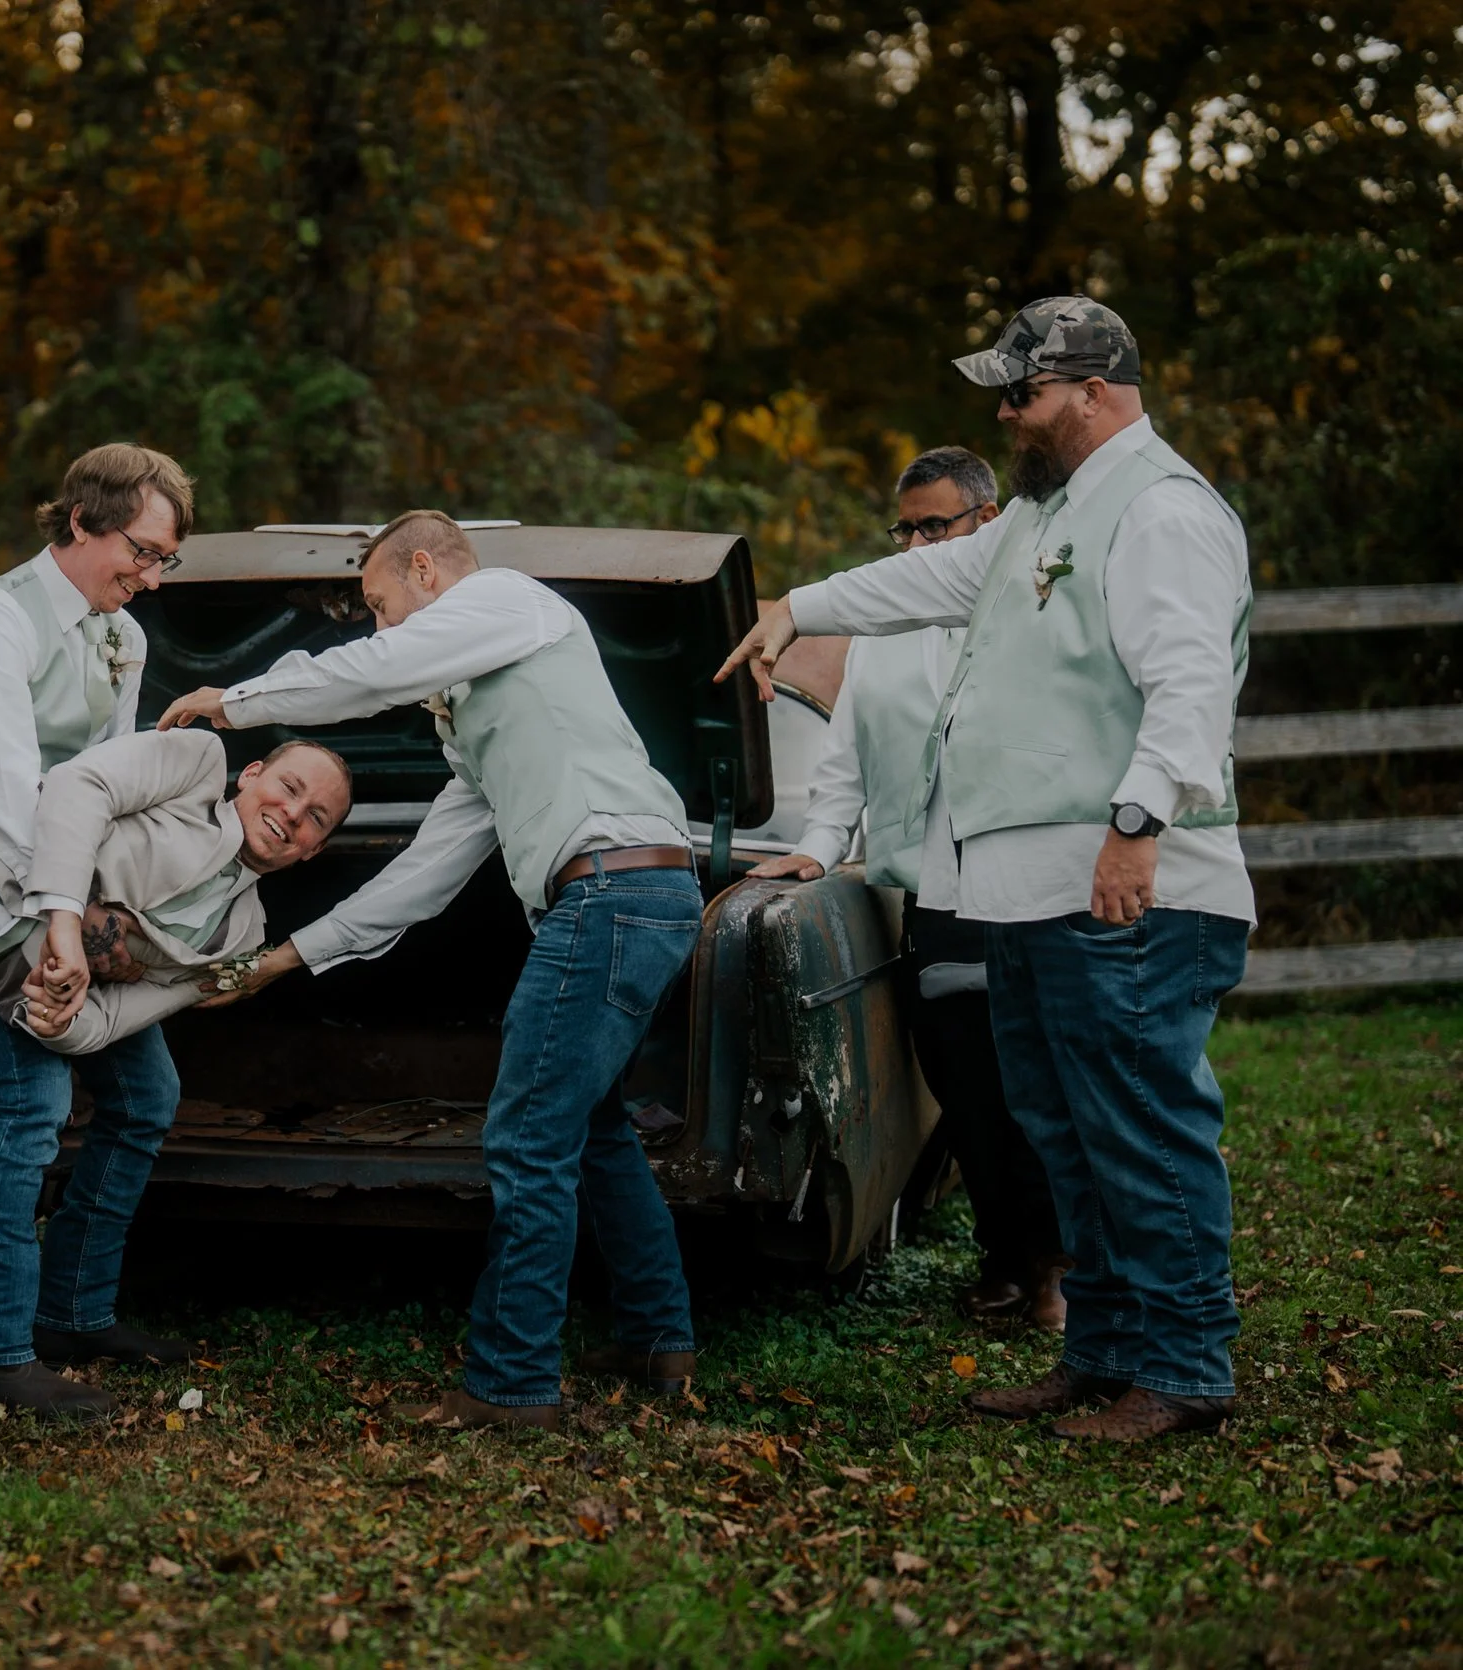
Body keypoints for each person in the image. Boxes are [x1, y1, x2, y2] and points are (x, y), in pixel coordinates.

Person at [718, 297, 1254, 1443]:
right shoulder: (1038, 520)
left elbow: (1189, 684)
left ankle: (1184, 1365)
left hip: (1126, 888)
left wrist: (1138, 818)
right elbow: (915, 588)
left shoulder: (1159, 512)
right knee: (1062, 1133)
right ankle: (1103, 1351)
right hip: (1027, 894)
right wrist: (793, 608)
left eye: (1024, 392)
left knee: (1141, 1129)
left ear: (1097, 391)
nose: (1006, 413)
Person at [160, 510, 705, 1431]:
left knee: (528, 1137)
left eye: (379, 603)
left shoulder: (509, 598)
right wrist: (284, 959)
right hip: (636, 899)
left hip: (610, 897)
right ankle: (659, 1338)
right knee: (595, 1130)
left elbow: (376, 672)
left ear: (425, 569)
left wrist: (234, 702)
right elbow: (419, 880)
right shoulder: (485, 725)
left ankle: (511, 1385)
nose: (378, 628)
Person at [0, 443, 200, 1420]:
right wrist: (56, 925)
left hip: (67, 894)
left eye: (164, 560)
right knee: (31, 1103)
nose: (150, 576)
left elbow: (109, 787)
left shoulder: (123, 637)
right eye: (143, 550)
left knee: (145, 1091)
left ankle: (73, 1311)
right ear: (79, 519)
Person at [751, 446, 1069, 1330]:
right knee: (964, 1088)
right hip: (932, 896)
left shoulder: (1026, 614)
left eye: (939, 524)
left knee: (1034, 1086)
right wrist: (816, 849)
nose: (919, 542)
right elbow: (842, 770)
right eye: (908, 527)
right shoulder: (877, 637)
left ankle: (1059, 1267)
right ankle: (1007, 1258)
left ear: (987, 525)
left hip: (1027, 888)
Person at [0, 731, 353, 1054]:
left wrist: (62, 1025)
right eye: (289, 787)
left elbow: (111, 1019)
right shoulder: (198, 763)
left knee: (140, 1102)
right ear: (251, 774)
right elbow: (79, 785)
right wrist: (70, 916)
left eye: (316, 817)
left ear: (314, 850)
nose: (292, 812)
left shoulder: (241, 942)